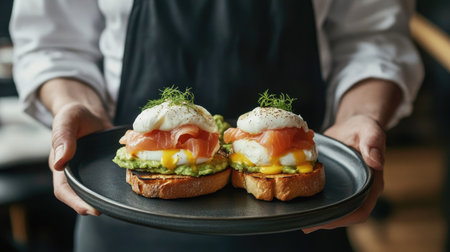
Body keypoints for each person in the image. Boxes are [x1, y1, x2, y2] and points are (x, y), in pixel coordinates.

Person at [10, 0, 423, 251]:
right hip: (120, 218)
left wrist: (359, 116)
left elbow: (374, 38)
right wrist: (73, 105)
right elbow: (54, 45)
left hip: (305, 226)